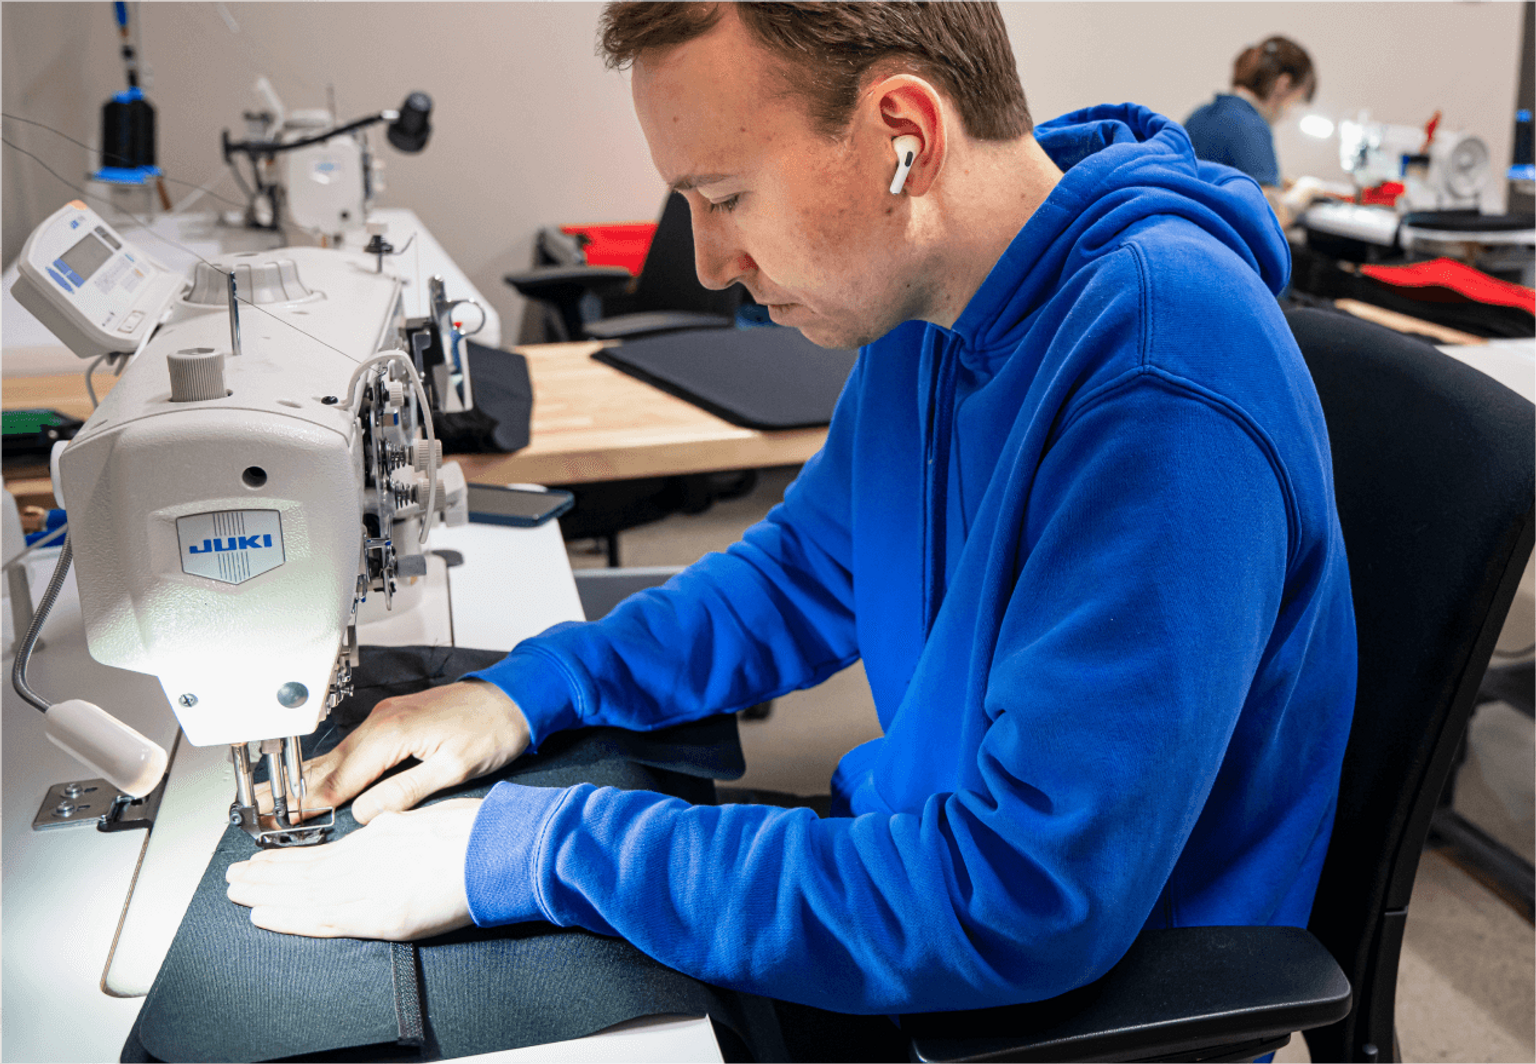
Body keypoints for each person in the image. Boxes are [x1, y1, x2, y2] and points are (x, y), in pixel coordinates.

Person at [227, 0, 1356, 1029]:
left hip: (1045, 1005)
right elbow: (806, 573)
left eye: (726, 198)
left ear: (901, 135)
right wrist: (526, 690)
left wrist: (535, 847)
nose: (713, 261)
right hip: (911, 872)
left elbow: (1019, 896)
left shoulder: (1161, 379)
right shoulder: (935, 304)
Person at [1183, 35, 1317, 223]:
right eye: (1297, 102)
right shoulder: (1251, 127)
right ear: (1284, 84)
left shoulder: (1200, 115)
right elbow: (1270, 219)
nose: (1289, 115)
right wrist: (1306, 191)